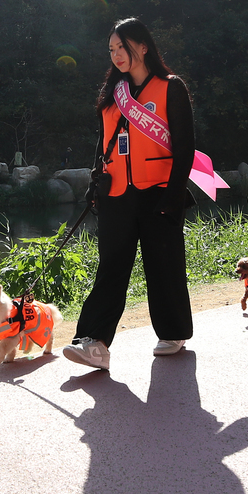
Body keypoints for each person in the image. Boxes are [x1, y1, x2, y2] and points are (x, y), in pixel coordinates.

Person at [64, 18, 194, 369]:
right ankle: (94, 343)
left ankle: (173, 331)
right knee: (111, 268)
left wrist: (173, 195)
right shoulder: (112, 93)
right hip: (116, 194)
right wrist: (95, 185)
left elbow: (185, 149)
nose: (117, 55)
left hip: (158, 193)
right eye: (111, 49)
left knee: (164, 265)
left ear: (143, 46)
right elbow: (102, 145)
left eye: (122, 47)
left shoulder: (170, 88)